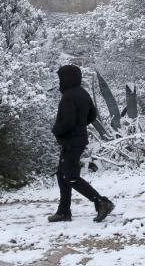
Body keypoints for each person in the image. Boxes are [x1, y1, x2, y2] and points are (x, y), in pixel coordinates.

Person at [48, 64, 115, 223]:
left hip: (71, 141)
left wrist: (56, 130)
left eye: (61, 78)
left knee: (70, 176)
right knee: (62, 175)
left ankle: (101, 202)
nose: (60, 81)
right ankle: (63, 211)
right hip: (78, 140)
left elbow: (68, 122)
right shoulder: (82, 93)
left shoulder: (69, 96)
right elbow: (92, 115)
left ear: (67, 78)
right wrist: (81, 125)